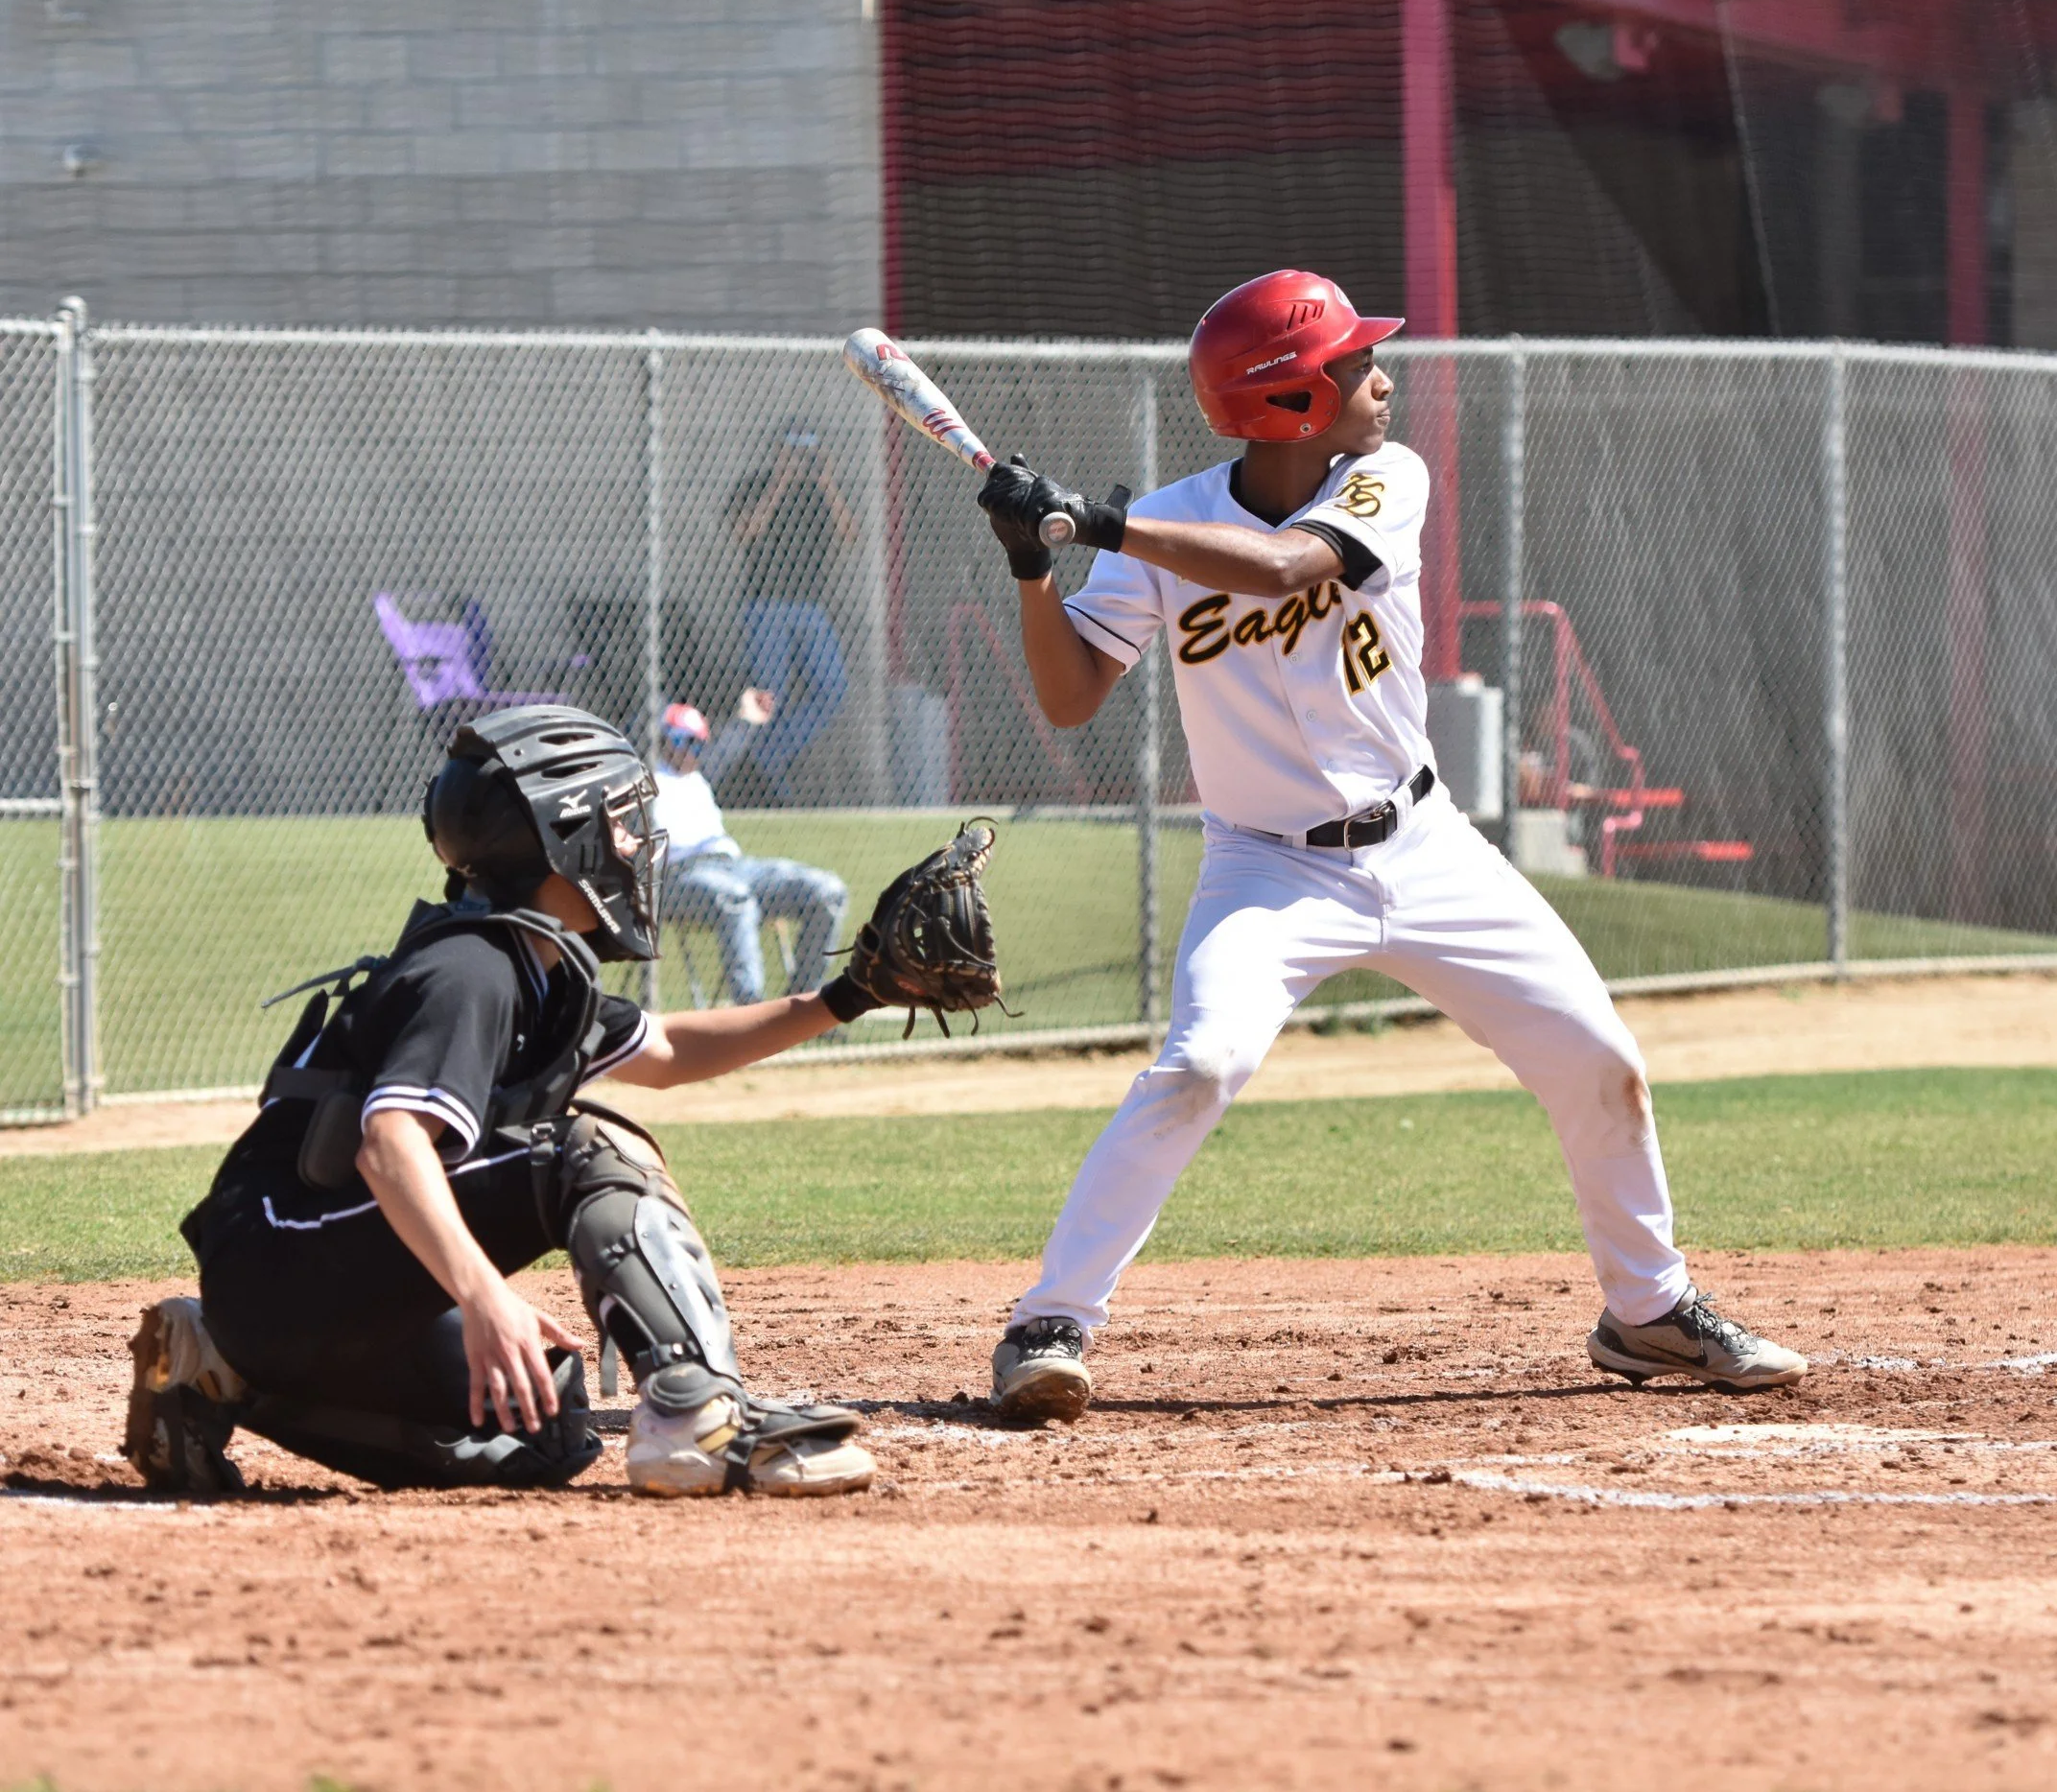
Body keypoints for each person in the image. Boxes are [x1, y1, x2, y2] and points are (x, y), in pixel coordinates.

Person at [973, 270, 1809, 1423]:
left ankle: (1647, 1309)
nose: (1381, 378)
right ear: (1284, 403)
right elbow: (1068, 697)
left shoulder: (1384, 477)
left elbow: (1279, 567)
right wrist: (1033, 561)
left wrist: (1092, 517)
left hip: (1425, 847)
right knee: (1199, 1065)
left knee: (1599, 1059)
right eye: (1350, 364)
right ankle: (1047, 1320)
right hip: (1266, 867)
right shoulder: (1162, 529)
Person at [124, 704, 906, 1497]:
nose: (634, 843)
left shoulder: (535, 971)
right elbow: (390, 1143)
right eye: (620, 823)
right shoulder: (474, 969)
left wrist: (853, 994)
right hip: (287, 1256)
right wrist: (484, 1292)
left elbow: (669, 1051)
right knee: (593, 1150)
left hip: (289, 1292)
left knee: (540, 1427)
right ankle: (696, 1414)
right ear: (564, 840)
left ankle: (218, 1370)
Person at [656, 693, 849, 1002]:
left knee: (827, 891)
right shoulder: (644, 777)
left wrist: (747, 719)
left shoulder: (699, 777)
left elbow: (728, 747)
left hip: (732, 866)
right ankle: (752, 1013)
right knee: (738, 900)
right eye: (681, 740)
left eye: (697, 743)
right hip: (679, 876)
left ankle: (802, 1005)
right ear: (663, 739)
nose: (690, 751)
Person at [726, 424, 857, 801]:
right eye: (792, 452)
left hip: (810, 606)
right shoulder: (756, 485)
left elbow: (851, 535)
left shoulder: (820, 493)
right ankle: (762, 782)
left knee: (832, 689)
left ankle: (769, 756)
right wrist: (780, 482)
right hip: (766, 604)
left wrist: (827, 481)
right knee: (772, 695)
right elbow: (744, 532)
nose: (800, 461)